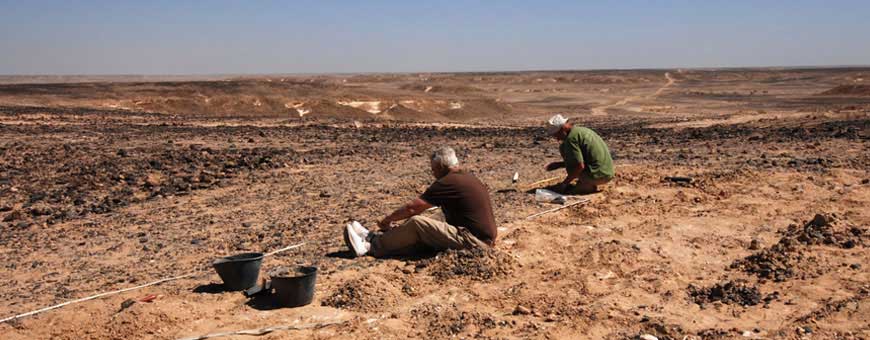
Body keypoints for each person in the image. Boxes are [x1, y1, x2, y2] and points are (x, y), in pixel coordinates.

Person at [343, 146, 497, 258]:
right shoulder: (467, 177)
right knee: (425, 225)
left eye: (433, 169)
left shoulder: (448, 182)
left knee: (417, 223)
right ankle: (375, 237)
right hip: (479, 238)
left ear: (442, 167)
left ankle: (371, 246)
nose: (432, 173)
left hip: (475, 243)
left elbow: (413, 208)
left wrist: (387, 220)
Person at [544, 114, 615, 194]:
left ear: (562, 129)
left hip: (598, 175)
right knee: (564, 147)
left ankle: (587, 185)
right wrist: (559, 165)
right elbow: (585, 159)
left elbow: (579, 166)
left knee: (564, 148)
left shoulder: (571, 139)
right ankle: (587, 182)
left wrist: (564, 184)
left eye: (557, 135)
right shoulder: (581, 131)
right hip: (608, 172)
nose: (557, 139)